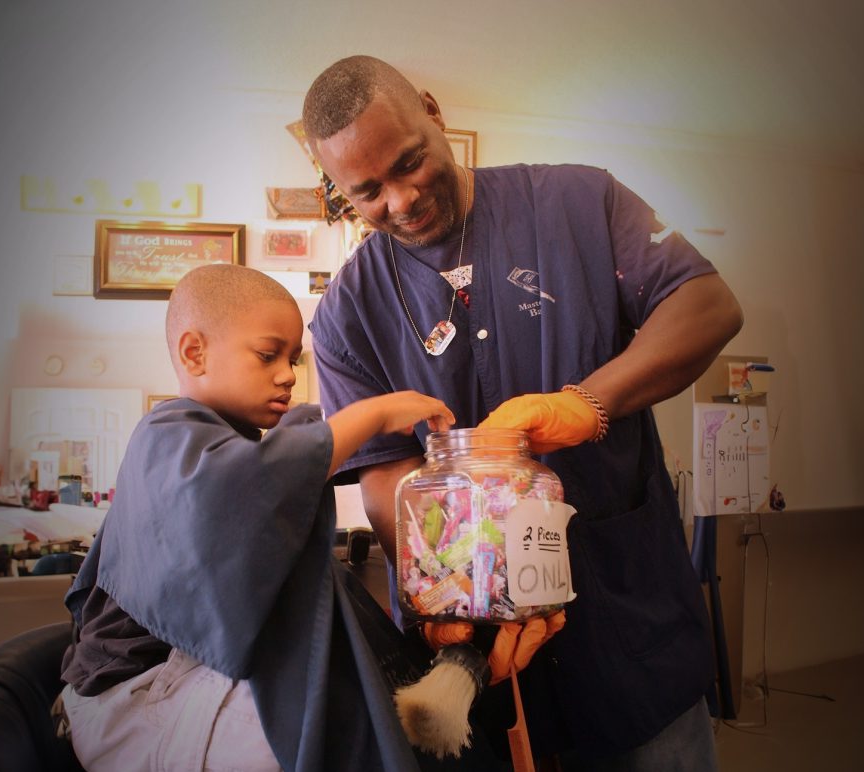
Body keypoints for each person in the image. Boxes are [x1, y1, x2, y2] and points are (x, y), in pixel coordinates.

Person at [303, 55, 744, 770]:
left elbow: (707, 306)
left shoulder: (580, 202)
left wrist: (584, 404)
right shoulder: (347, 313)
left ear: (433, 110)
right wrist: (449, 585)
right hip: (477, 663)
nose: (403, 199)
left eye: (411, 162)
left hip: (630, 630)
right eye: (368, 192)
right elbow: (384, 475)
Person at [59, 263, 460, 771]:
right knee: (311, 728)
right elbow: (247, 486)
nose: (288, 374)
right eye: (268, 355)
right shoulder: (165, 436)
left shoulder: (230, 445)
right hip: (136, 698)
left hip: (184, 678)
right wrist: (373, 415)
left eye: (292, 359)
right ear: (194, 352)